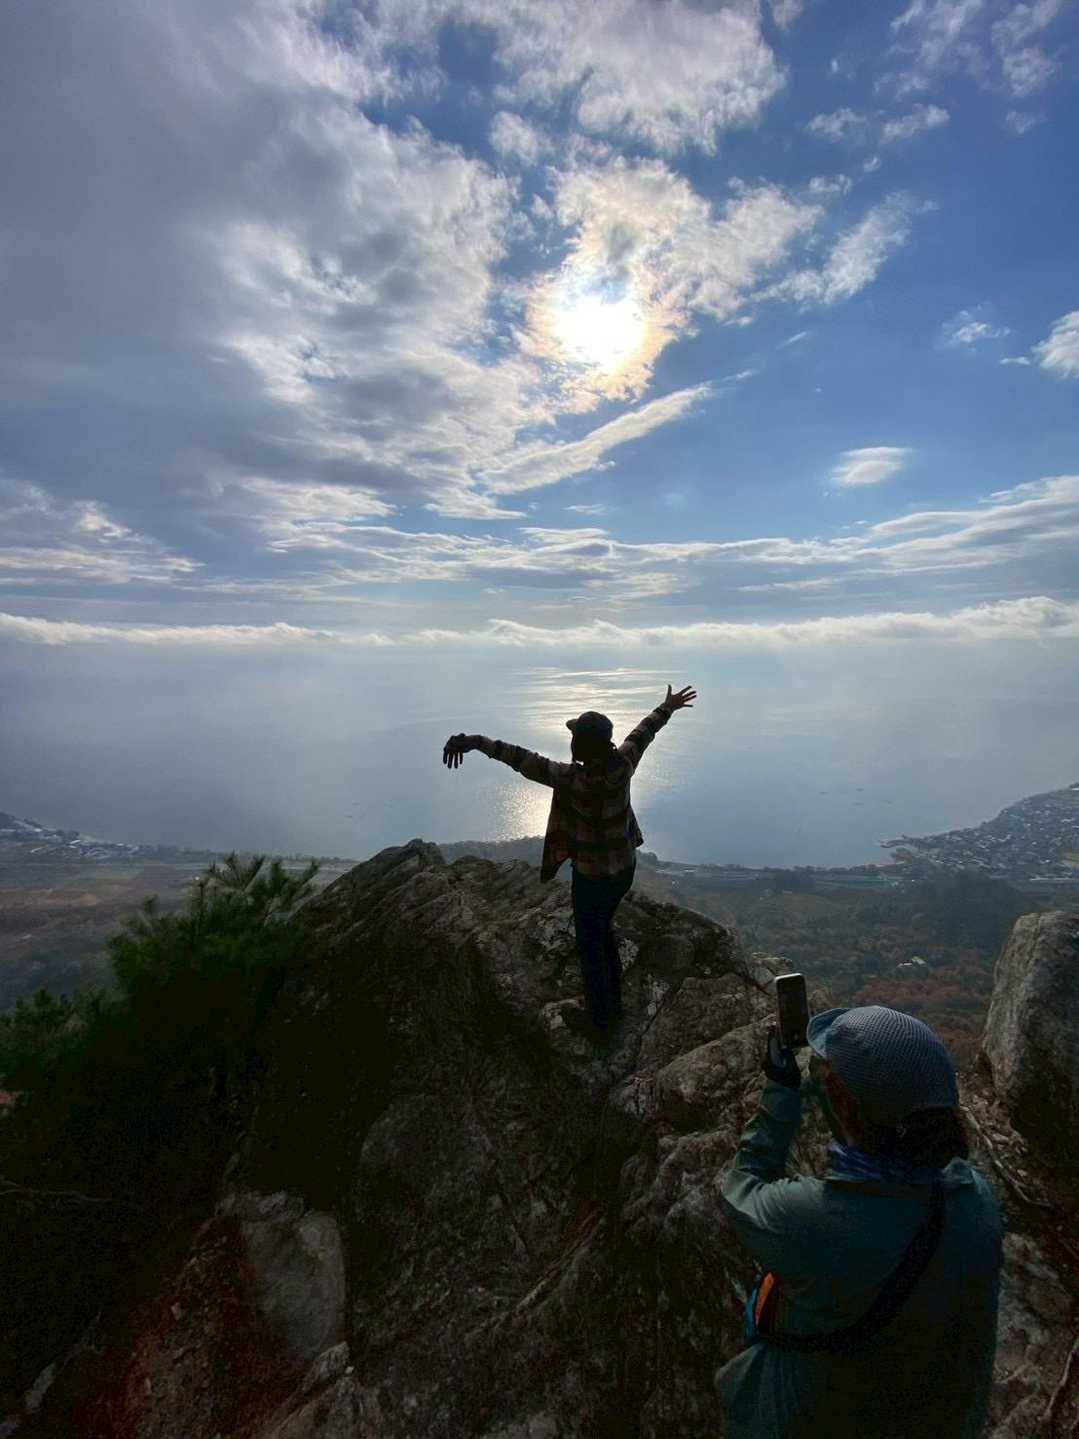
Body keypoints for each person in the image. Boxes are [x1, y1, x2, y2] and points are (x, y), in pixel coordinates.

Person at [717, 1004, 1003, 1439]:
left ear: (846, 1107)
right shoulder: (976, 1198)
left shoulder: (815, 1221)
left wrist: (781, 1095)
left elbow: (741, 1189)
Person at [442, 684, 697, 1044]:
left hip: (591, 878)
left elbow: (517, 757)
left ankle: (601, 1022)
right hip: (623, 870)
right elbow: (643, 733)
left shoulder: (568, 778)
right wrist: (666, 707)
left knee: (591, 945)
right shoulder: (623, 764)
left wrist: (473, 741)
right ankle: (612, 1005)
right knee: (602, 931)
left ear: (579, 747)